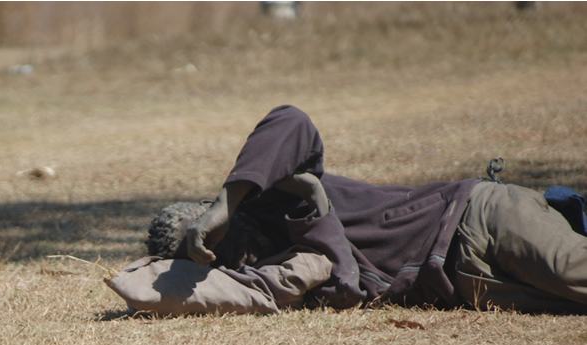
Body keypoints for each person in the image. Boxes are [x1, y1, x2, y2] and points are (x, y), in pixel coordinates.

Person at [109, 105, 587, 315]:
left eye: (214, 237)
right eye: (211, 256)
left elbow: (291, 119)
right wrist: (319, 219)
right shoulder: (277, 272)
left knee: (575, 270)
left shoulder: (274, 192)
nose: (225, 250)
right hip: (467, 280)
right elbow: (348, 288)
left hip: (473, 217)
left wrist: (225, 203)